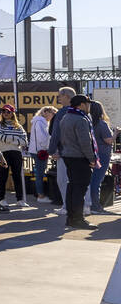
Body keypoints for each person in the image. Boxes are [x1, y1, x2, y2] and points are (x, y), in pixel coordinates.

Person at [59, 94, 99, 230]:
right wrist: (92, 158)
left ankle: (71, 218)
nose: (89, 106)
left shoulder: (66, 117)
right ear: (81, 104)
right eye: (88, 103)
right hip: (79, 157)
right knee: (79, 189)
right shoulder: (81, 119)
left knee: (72, 187)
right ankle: (77, 219)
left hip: (68, 156)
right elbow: (85, 143)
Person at [47, 86, 78, 216]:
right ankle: (82, 206)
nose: (58, 97)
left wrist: (52, 150)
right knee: (78, 181)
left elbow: (56, 133)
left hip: (64, 152)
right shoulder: (81, 112)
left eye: (60, 95)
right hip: (79, 153)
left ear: (67, 96)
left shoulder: (62, 113)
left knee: (63, 180)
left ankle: (66, 207)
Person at [0, 105, 29, 206]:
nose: (6, 113)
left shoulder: (19, 126)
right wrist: (15, 139)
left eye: (8, 112)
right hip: (3, 153)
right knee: (3, 176)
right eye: (4, 111)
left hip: (16, 153)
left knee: (17, 176)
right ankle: (1, 198)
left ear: (12, 113)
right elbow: (0, 137)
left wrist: (9, 138)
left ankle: (20, 200)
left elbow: (24, 141)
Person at [88, 101, 115, 214]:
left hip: (92, 153)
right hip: (103, 154)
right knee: (97, 181)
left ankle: (91, 204)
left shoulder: (88, 122)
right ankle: (96, 206)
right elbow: (108, 140)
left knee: (92, 180)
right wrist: (117, 133)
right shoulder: (101, 124)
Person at [29, 106, 56, 203]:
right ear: (45, 112)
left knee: (39, 174)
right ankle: (40, 196)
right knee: (39, 174)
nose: (53, 116)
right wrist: (49, 148)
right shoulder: (40, 122)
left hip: (38, 150)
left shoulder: (39, 121)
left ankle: (40, 194)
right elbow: (42, 138)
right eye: (53, 114)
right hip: (40, 152)